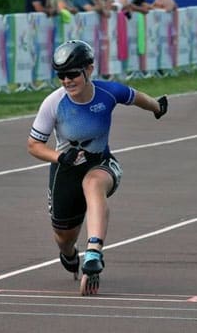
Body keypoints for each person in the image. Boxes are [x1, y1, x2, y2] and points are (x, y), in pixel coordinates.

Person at [27, 40, 168, 296]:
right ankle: (70, 254)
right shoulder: (53, 103)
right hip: (66, 168)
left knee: (93, 184)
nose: (67, 81)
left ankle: (93, 252)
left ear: (89, 70)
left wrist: (158, 107)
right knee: (64, 237)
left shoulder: (108, 92)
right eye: (61, 76)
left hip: (101, 162)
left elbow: (136, 97)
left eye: (72, 74)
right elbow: (34, 145)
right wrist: (60, 157)